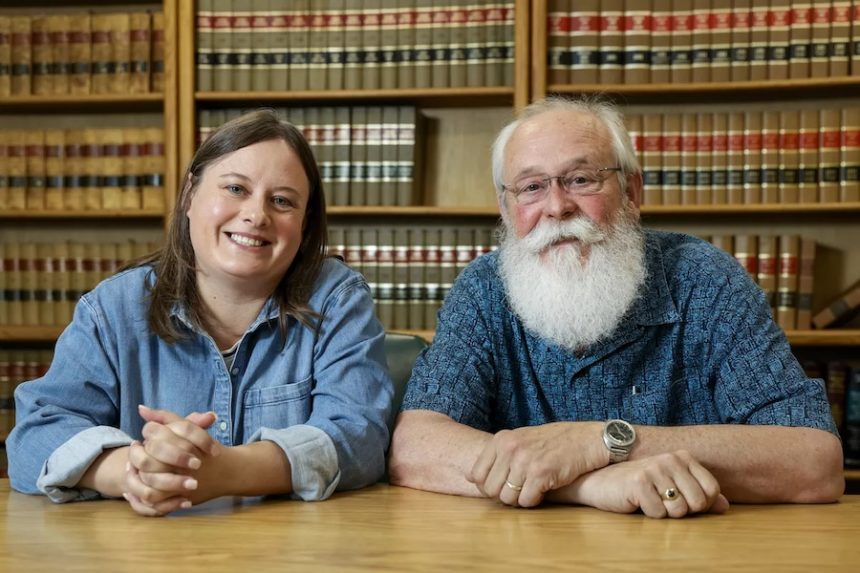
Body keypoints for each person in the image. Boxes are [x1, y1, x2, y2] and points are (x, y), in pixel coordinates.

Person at [388, 96, 844, 518]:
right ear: (506, 211)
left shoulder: (706, 280)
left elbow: (813, 461)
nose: (556, 207)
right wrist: (589, 483)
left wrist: (603, 441)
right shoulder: (484, 289)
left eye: (581, 179)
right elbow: (416, 448)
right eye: (531, 187)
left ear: (631, 193)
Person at [8, 110, 393, 516]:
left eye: (282, 201)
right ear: (190, 195)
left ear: (305, 221)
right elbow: (35, 434)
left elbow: (360, 436)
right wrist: (135, 471)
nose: (256, 215)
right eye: (235, 188)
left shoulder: (336, 298)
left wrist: (228, 471)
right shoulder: (113, 308)